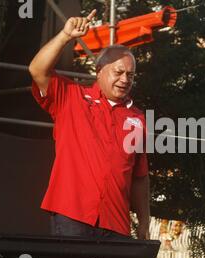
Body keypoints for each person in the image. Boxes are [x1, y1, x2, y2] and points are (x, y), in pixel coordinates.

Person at [28, 9, 150, 240]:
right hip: (73, 215)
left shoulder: (138, 119)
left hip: (116, 222)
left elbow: (139, 176)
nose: (125, 79)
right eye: (119, 72)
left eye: (131, 75)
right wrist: (65, 36)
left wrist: (144, 221)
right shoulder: (72, 97)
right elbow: (37, 70)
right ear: (99, 71)